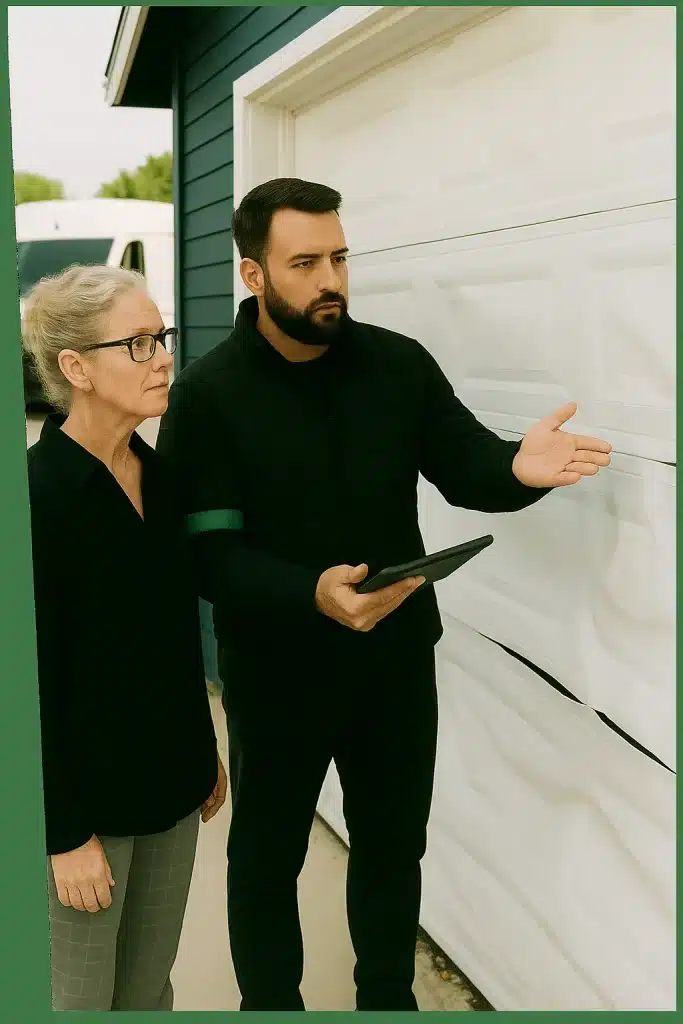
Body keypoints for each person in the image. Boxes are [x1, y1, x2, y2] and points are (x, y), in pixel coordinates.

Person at [155, 178, 612, 1011]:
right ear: (254, 274)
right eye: (304, 263)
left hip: (394, 665)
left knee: (393, 851)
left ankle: (386, 1002)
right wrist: (310, 593)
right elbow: (211, 558)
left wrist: (518, 468)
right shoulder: (209, 396)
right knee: (265, 864)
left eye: (338, 257)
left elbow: (468, 466)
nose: (330, 279)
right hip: (277, 673)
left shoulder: (397, 365)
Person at [23, 265, 228, 1012]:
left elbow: (172, 639)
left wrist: (201, 750)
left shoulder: (160, 479)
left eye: (162, 337)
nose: (165, 357)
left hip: (172, 790)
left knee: (147, 993)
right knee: (80, 1001)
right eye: (139, 343)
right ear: (76, 368)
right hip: (85, 815)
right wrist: (61, 835)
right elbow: (29, 682)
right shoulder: (37, 498)